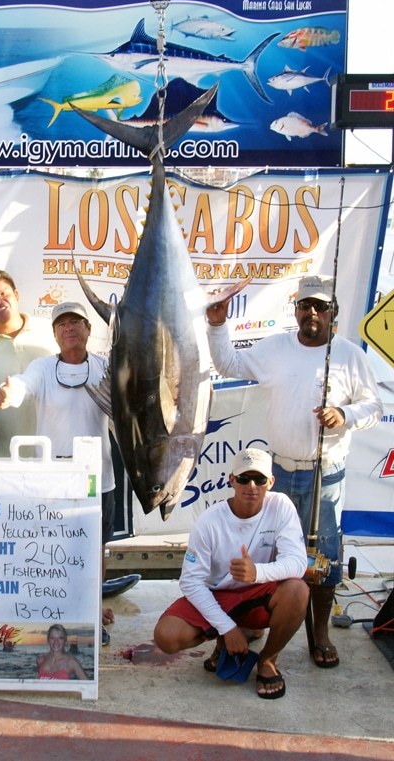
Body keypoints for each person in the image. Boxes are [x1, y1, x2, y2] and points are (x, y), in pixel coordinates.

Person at [206, 273, 383, 669]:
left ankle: (318, 633)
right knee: (268, 552)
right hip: (279, 474)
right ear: (296, 310)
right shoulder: (275, 348)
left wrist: (345, 415)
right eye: (306, 306)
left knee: (323, 558)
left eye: (321, 307)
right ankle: (255, 622)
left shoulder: (352, 355)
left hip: (327, 474)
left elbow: (374, 407)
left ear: (333, 313)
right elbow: (228, 361)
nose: (312, 313)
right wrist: (217, 324)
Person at [0, 300, 116, 642]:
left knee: (95, 549)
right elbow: (22, 384)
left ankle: (91, 611)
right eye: (62, 324)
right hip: (53, 478)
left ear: (89, 330)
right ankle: (57, 609)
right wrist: (8, 393)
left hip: (99, 476)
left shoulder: (106, 368)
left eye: (77, 322)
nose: (70, 328)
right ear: (55, 333)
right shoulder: (43, 368)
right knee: (53, 548)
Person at [154, 448, 309, 700]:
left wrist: (257, 572)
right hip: (218, 595)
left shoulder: (281, 506)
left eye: (259, 479)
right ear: (231, 480)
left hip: (259, 593)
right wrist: (227, 629)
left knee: (298, 590)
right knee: (166, 637)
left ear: (271, 482)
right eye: (244, 478)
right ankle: (227, 636)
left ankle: (268, 660)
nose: (252, 486)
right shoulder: (208, 521)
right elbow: (191, 583)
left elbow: (298, 563)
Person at [0, 269, 57, 458]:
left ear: (16, 295)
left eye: (4, 293)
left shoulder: (53, 332)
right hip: (4, 460)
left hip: (55, 458)